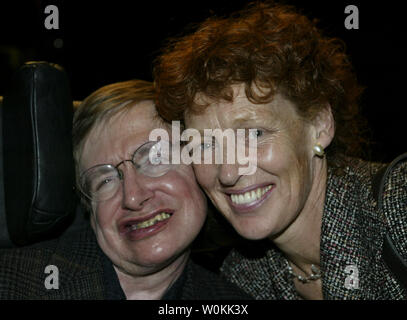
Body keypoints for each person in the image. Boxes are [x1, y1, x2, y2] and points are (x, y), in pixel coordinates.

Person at [153, 2, 407, 299]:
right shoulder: (242, 278)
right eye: (206, 145)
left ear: (320, 125)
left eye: (254, 134)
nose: (230, 172)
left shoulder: (397, 207)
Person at [0, 80, 251, 300]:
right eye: (105, 179)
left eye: (155, 158)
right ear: (88, 207)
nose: (132, 196)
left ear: (198, 166)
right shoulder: (13, 284)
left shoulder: (230, 299)